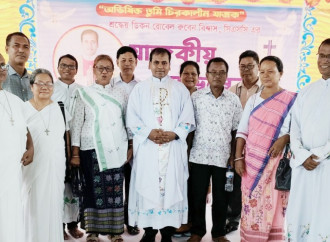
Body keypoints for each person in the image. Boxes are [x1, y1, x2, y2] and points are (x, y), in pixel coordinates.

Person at [126, 48, 195, 242]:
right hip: (148, 148)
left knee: (171, 187)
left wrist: (174, 134)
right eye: (156, 62)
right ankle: (149, 232)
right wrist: (148, 133)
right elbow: (132, 117)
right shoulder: (140, 89)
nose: (160, 67)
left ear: (169, 65)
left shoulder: (180, 89)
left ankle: (166, 233)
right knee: (147, 186)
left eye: (164, 63)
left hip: (172, 149)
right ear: (149, 64)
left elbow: (187, 118)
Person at [235, 56, 297, 241]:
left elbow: (298, 130)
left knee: (274, 206)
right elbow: (242, 131)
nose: (266, 75)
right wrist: (238, 158)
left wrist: (285, 138)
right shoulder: (254, 100)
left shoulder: (292, 100)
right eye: (262, 72)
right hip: (252, 163)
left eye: (271, 71)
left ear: (281, 73)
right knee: (251, 206)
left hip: (277, 163)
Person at [71, 54, 128, 242]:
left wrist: (130, 147)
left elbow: (127, 122)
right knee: (92, 190)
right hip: (90, 147)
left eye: (108, 68)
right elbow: (77, 124)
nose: (104, 72)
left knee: (114, 190)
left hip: (116, 148)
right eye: (100, 68)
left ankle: (114, 231)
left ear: (113, 71)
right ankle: (92, 232)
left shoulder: (121, 93)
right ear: (93, 69)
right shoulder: (84, 93)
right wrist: (75, 153)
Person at [188, 57, 242, 242]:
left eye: (221, 72)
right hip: (198, 156)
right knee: (197, 197)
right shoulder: (196, 98)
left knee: (222, 198)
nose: (217, 76)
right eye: (213, 72)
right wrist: (186, 154)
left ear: (227, 75)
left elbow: (237, 131)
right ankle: (197, 232)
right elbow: (189, 128)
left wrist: (234, 157)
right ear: (206, 74)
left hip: (223, 158)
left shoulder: (233, 100)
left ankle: (218, 233)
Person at [286, 38, 330, 241]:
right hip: (304, 166)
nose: (325, 60)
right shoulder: (306, 91)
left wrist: (319, 155)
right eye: (322, 55)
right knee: (301, 216)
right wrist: (303, 155)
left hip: (326, 166)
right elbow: (294, 129)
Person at [22, 68, 69, 242]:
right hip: (31, 166)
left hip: (55, 166)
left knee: (52, 205)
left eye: (48, 83)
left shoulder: (59, 108)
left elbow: (64, 138)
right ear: (31, 85)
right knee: (31, 205)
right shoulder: (23, 109)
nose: (44, 87)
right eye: (40, 83)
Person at [226, 50, 261, 234]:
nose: (245, 70)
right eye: (242, 67)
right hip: (235, 144)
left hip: (258, 145)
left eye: (250, 66)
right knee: (232, 184)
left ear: (258, 66)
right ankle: (232, 219)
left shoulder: (265, 89)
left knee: (255, 185)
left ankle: (255, 221)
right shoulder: (233, 90)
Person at [0, 53, 33, 242]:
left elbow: (27, 128)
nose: (2, 69)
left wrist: (31, 147)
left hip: (13, 168)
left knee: (12, 209)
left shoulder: (14, 101)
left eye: (3, 65)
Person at [51, 54, 84, 240]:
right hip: (57, 141)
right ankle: (59, 225)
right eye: (64, 65)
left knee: (75, 183)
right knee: (59, 183)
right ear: (58, 67)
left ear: (77, 70)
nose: (67, 69)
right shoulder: (51, 88)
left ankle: (73, 224)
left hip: (78, 140)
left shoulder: (83, 91)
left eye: (72, 66)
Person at [111, 46, 140, 236]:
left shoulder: (143, 87)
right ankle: (114, 222)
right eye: (123, 60)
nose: (127, 64)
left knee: (132, 184)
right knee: (114, 184)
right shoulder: (110, 85)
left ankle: (131, 221)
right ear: (117, 62)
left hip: (136, 144)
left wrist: (132, 144)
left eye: (131, 60)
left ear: (136, 63)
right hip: (114, 143)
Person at [174, 60, 200, 238]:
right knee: (177, 186)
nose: (190, 77)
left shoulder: (201, 96)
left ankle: (191, 223)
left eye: (193, 74)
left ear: (199, 77)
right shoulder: (174, 95)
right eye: (186, 73)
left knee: (195, 188)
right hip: (177, 148)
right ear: (180, 75)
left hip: (198, 150)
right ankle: (178, 222)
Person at [3, 32, 33, 101]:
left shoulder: (34, 80)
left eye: (26, 47)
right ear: (7, 49)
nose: (21, 50)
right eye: (16, 45)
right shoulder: (1, 77)